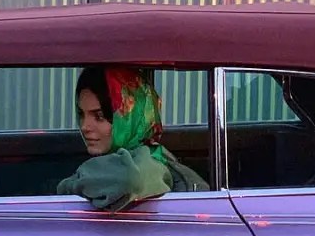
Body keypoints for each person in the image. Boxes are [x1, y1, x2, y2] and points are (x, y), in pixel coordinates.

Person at [57, 66, 208, 211]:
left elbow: (129, 180)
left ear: (129, 116)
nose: (85, 126)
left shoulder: (149, 161)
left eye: (99, 117)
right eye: (82, 114)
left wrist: (68, 186)